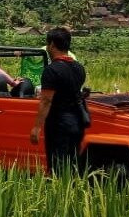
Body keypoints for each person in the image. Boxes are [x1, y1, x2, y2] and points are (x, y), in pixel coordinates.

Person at [30, 27, 87, 176]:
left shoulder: (51, 70)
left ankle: (59, 194)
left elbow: (46, 101)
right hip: (77, 122)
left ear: (52, 45)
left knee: (57, 165)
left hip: (59, 123)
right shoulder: (79, 68)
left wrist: (36, 127)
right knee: (73, 162)